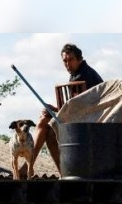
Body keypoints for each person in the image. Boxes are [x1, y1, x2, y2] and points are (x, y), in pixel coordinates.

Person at [31, 43, 103, 175]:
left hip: (89, 126)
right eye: (65, 61)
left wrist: (54, 108)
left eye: (71, 60)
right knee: (48, 129)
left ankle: (30, 166)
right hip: (82, 121)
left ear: (79, 59)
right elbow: (74, 105)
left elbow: (76, 108)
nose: (68, 64)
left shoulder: (82, 76)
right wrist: (55, 109)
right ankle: (63, 173)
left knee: (43, 122)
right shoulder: (79, 73)